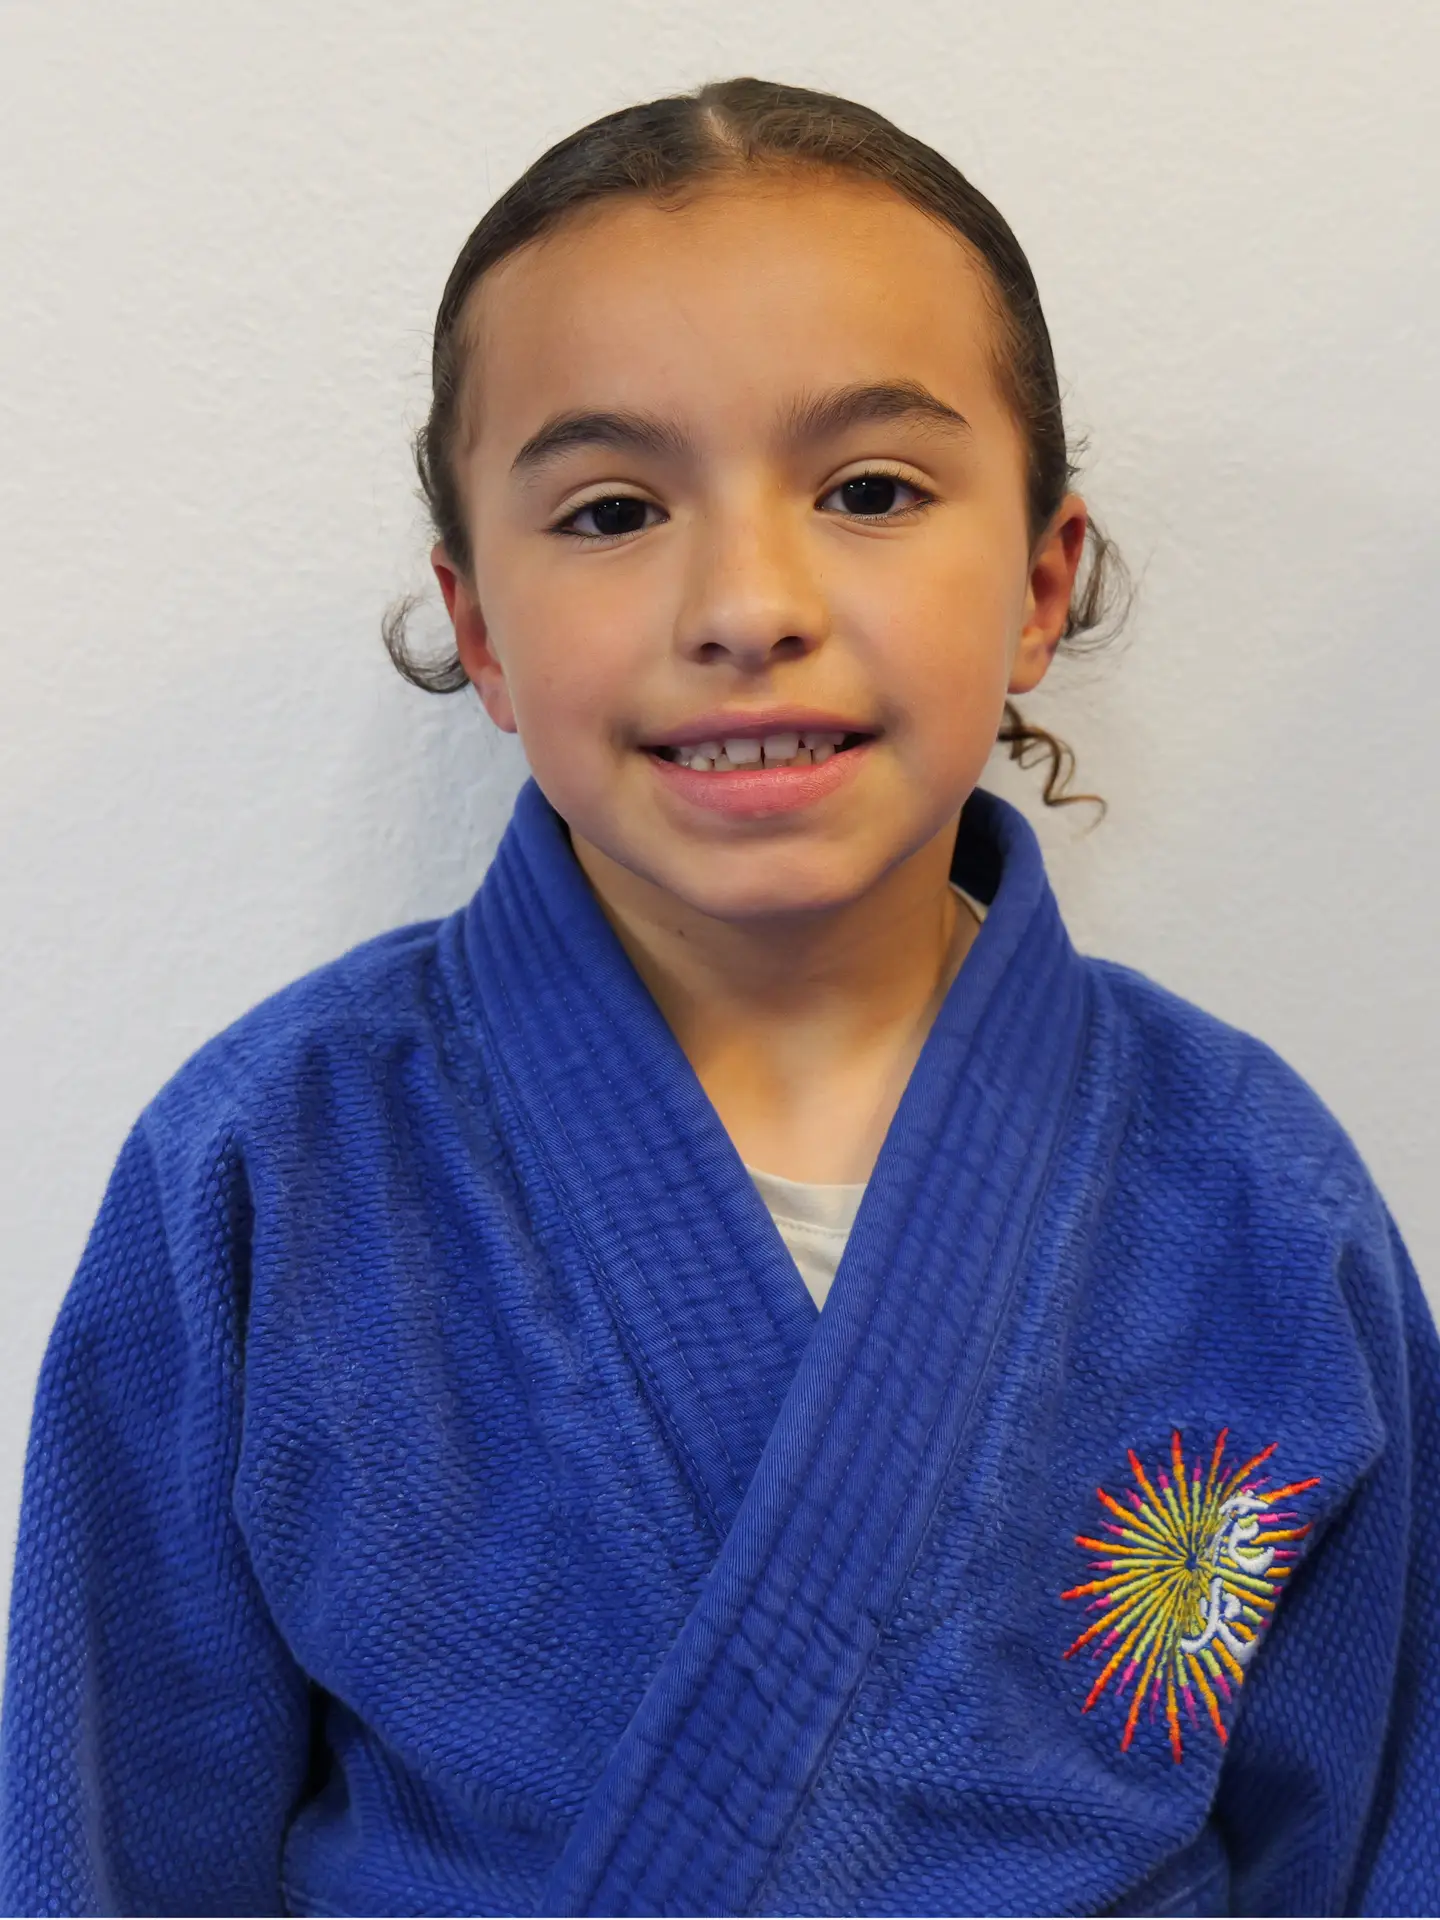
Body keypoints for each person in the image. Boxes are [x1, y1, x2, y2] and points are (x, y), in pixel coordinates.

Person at [1, 73, 1435, 1920]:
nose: (748, 601)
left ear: (1038, 582)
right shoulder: (270, 1172)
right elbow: (112, 1846)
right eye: (611, 510)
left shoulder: (1252, 1194)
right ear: (482, 626)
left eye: (870, 490)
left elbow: (1382, 1836)